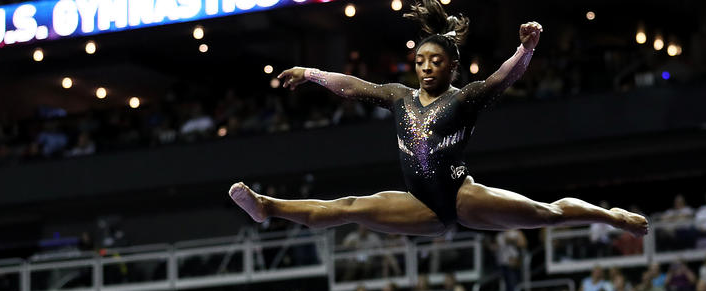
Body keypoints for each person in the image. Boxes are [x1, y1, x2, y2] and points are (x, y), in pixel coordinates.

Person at [229, 1, 648, 237]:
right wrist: (311, 73)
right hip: (419, 205)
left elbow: (505, 77)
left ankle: (611, 215)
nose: (426, 68)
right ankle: (267, 207)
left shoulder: (464, 99)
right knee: (350, 207)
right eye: (420, 61)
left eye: (436, 62)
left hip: (462, 196)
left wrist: (526, 50)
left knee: (547, 214)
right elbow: (352, 86)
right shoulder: (399, 97)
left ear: (452, 67)